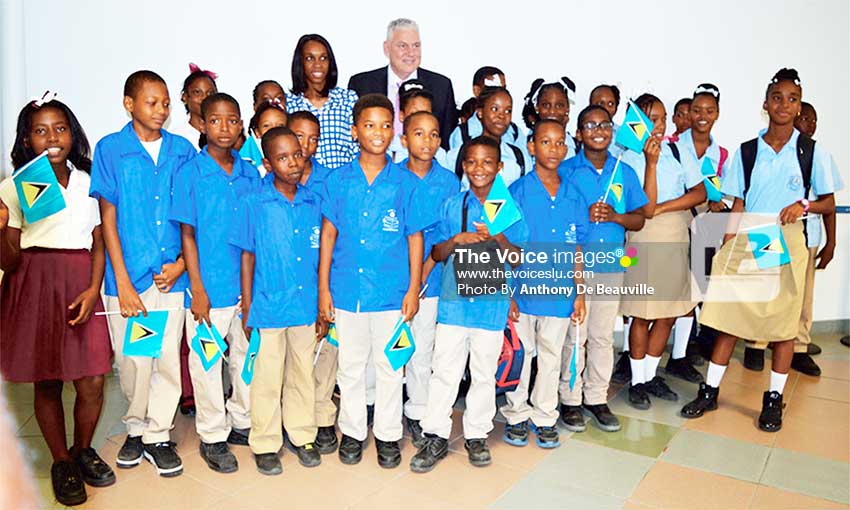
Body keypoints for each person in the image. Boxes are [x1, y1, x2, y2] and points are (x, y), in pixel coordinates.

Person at [681, 68, 839, 432]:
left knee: (783, 324)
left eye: (792, 99)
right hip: (753, 236)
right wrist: (726, 245)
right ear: (765, 104)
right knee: (731, 319)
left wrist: (804, 206)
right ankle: (710, 390)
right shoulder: (748, 151)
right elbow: (738, 203)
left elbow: (828, 203)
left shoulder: (811, 151)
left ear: (799, 107)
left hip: (786, 238)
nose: (784, 105)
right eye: (777, 98)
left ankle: (773, 400)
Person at [1, 98, 115, 506]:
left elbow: (100, 241)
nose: (52, 138)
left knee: (93, 378)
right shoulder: (15, 186)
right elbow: (9, 258)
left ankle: (83, 449)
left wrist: (92, 288)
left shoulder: (89, 181)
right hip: (34, 283)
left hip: (82, 281)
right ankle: (61, 460)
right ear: (27, 139)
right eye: (41, 130)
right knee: (47, 377)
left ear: (73, 133)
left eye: (60, 128)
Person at [89, 70, 195, 477]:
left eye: (166, 102)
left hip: (171, 276)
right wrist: (124, 283)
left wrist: (183, 265)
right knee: (133, 359)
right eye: (152, 102)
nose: (161, 109)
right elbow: (108, 220)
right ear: (129, 104)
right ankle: (136, 426)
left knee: (167, 357)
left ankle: (158, 435)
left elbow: (191, 217)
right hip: (128, 278)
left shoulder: (182, 151)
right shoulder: (111, 150)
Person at [318, 94, 428, 468]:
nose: (378, 132)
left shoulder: (404, 183)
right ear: (354, 131)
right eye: (369, 125)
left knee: (389, 367)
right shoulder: (338, 180)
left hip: (391, 294)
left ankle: (387, 436)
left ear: (394, 131)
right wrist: (323, 289)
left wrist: (413, 289)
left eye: (385, 125)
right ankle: (352, 432)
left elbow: (415, 237)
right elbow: (329, 235)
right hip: (347, 291)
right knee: (350, 367)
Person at [409, 136, 529, 472]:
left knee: (483, 372)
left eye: (487, 162)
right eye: (472, 162)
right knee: (444, 370)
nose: (479, 168)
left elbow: (518, 259)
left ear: (499, 167)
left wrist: (498, 237)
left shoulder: (508, 210)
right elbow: (436, 253)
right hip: (454, 303)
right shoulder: (452, 205)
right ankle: (435, 434)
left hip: (490, 306)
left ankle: (477, 434)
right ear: (463, 166)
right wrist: (456, 240)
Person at [171, 93, 259, 473]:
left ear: (241, 126)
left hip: (246, 288)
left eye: (233, 120)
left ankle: (242, 421)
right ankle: (212, 434)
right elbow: (187, 235)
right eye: (217, 120)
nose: (225, 128)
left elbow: (254, 236)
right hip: (208, 288)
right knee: (206, 365)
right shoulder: (191, 172)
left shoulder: (250, 172)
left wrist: (253, 291)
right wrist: (198, 288)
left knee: (246, 359)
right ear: (203, 125)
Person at [231, 126, 326, 475]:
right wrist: (247, 307)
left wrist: (321, 305)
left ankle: (302, 435)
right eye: (283, 158)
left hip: (305, 305)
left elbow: (322, 256)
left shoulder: (313, 201)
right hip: (268, 306)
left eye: (297, 155)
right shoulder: (254, 202)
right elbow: (247, 257)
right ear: (268, 164)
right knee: (267, 377)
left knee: (302, 373)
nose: (293, 163)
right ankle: (266, 442)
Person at [557, 105, 647, 433]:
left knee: (601, 336)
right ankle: (570, 398)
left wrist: (615, 217)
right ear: (578, 133)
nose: (598, 130)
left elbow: (640, 217)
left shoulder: (624, 171)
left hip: (610, 265)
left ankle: (596, 397)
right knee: (574, 335)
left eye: (605, 125)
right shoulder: (565, 170)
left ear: (612, 130)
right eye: (590, 125)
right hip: (573, 267)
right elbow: (558, 216)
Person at [500, 120, 588, 449]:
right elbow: (503, 245)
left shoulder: (573, 195)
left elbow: (578, 245)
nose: (553, 149)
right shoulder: (517, 191)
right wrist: (507, 292)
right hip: (522, 293)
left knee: (551, 357)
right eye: (545, 142)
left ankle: (545, 416)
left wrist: (579, 291)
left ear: (566, 148)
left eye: (559, 143)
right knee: (521, 356)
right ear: (532, 147)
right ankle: (516, 414)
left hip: (560, 293)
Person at [619, 93, 706, 410]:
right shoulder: (627, 156)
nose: (656, 125)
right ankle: (637, 381)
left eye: (661, 118)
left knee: (669, 311)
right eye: (649, 118)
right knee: (642, 313)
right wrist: (651, 164)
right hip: (643, 238)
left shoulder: (679, 149)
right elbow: (643, 205)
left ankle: (651, 374)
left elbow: (699, 192)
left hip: (675, 233)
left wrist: (664, 208)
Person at [744, 101, 843, 376]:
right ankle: (756, 343)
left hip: (806, 237)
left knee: (801, 296)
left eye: (814, 120)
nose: (809, 124)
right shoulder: (766, 151)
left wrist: (831, 242)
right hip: (769, 231)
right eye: (806, 119)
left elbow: (828, 203)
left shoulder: (819, 155)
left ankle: (798, 347)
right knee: (767, 289)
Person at [398, 111, 460, 447]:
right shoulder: (393, 178)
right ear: (404, 139)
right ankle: (384, 407)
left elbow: (451, 237)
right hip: (396, 280)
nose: (427, 141)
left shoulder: (449, 182)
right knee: (394, 349)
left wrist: (425, 272)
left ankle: (419, 411)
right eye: (419, 134)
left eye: (434, 134)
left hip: (434, 280)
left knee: (424, 351)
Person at [661, 84, 729, 384]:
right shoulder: (673, 144)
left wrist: (718, 201)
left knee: (694, 290)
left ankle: (679, 356)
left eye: (709, 111)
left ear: (717, 114)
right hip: (674, 223)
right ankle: (637, 356)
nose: (702, 116)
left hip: (706, 226)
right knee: (665, 288)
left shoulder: (722, 152)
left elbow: (723, 189)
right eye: (696, 110)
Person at [348, 18, 458, 150]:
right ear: (386, 48)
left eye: (416, 45)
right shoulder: (362, 84)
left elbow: (447, 139)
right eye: (402, 46)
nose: (411, 53)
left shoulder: (441, 86)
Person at [286, 34, 358, 169]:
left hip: (343, 183)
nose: (317, 64)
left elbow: (358, 146)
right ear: (300, 63)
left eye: (323, 58)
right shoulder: (289, 104)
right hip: (303, 183)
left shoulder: (347, 99)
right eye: (310, 58)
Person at [446, 87, 530, 188]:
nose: (502, 116)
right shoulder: (457, 156)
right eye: (495, 109)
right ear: (480, 113)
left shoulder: (520, 159)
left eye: (508, 111)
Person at [448, 67, 522, 149]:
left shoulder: (515, 132)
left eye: (503, 88)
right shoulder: (463, 134)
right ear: (477, 91)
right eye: (492, 88)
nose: (499, 92)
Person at [387, 79, 449, 167]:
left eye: (425, 113)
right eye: (414, 113)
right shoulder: (390, 150)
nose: (420, 119)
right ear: (401, 115)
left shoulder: (439, 154)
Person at [521, 76, 579, 157]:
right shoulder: (522, 146)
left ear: (567, 109)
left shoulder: (577, 148)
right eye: (546, 105)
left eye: (559, 105)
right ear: (537, 107)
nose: (552, 111)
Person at [170, 64, 217, 151]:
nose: (204, 98)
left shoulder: (224, 135)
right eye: (197, 92)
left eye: (210, 93)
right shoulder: (175, 138)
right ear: (184, 97)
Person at [247, 100, 288, 177]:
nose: (273, 130)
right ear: (257, 133)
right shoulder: (248, 158)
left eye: (280, 126)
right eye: (266, 126)